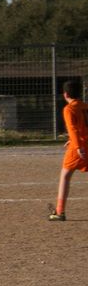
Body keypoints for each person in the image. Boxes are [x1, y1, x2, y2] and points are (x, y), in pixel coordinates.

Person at [49, 79, 88, 221]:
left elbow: (73, 129)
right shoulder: (85, 106)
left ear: (65, 94)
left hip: (80, 146)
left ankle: (60, 212)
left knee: (65, 175)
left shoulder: (69, 108)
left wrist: (77, 146)